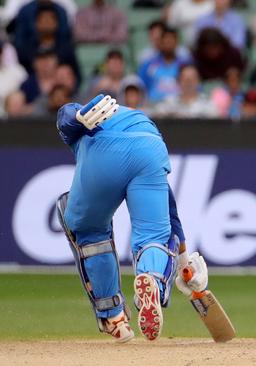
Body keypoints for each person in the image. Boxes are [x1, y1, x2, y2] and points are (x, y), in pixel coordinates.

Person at [55, 94, 210, 342]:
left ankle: (114, 317)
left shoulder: (88, 121)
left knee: (88, 229)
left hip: (101, 150)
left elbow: (65, 113)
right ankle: (152, 280)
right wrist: (183, 265)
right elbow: (172, 216)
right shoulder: (135, 121)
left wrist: (76, 116)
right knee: (155, 235)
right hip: (150, 148)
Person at [138, 26, 190, 103]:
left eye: (171, 40)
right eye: (166, 41)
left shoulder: (185, 66)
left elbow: (195, 87)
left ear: (176, 42)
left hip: (180, 106)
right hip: (155, 106)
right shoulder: (149, 65)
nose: (168, 44)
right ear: (160, 43)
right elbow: (140, 87)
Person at [153, 64, 218, 118]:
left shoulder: (208, 103)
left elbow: (214, 124)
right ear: (178, 81)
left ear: (199, 81)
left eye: (192, 79)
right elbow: (156, 116)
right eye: (185, 79)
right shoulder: (168, 102)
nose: (188, 82)